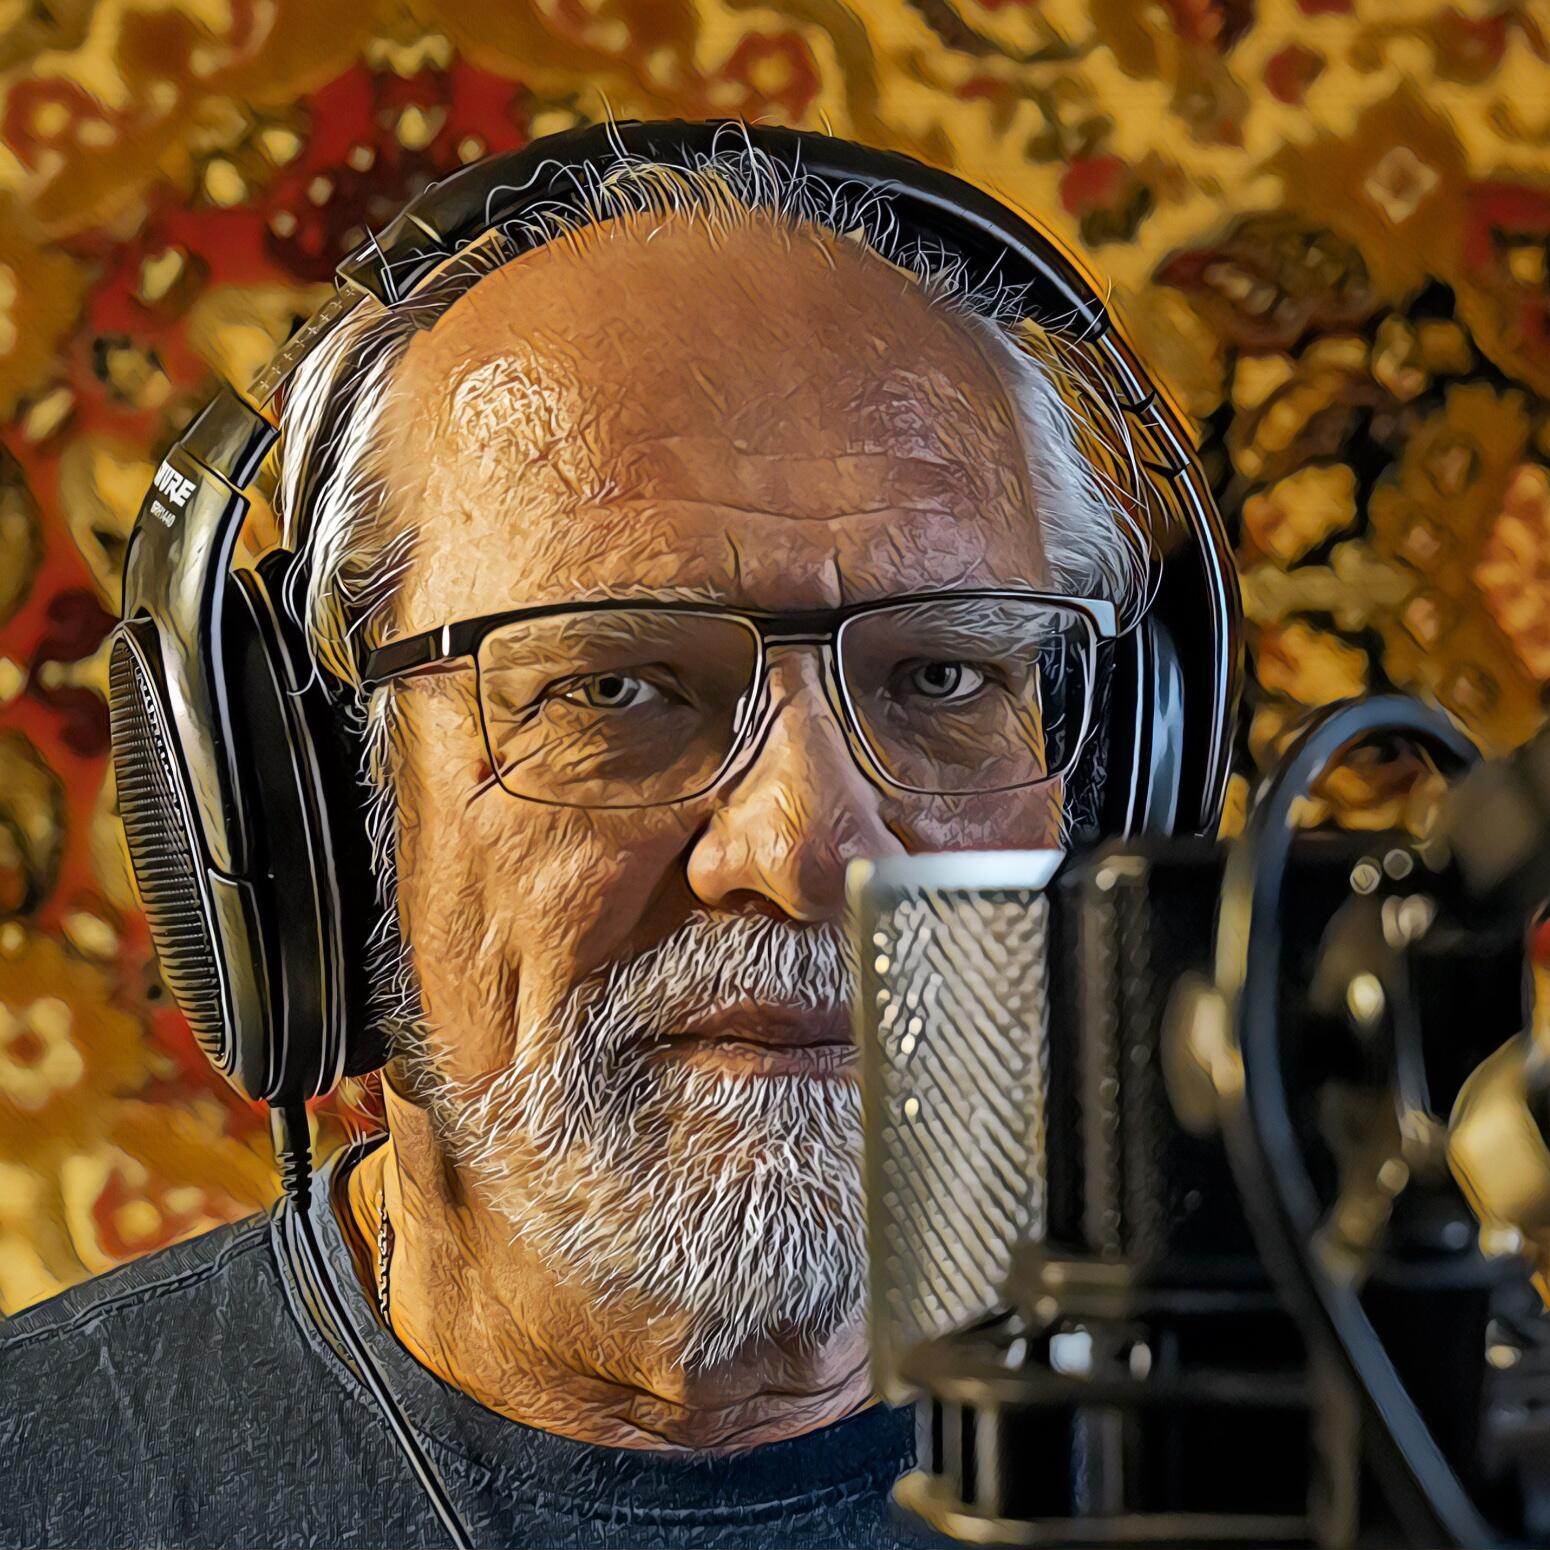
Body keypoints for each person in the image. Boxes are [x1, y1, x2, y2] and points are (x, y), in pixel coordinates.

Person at [0, 126, 1149, 1548]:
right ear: (328, 807)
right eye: (613, 687)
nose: (808, 853)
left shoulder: (1368, 1459)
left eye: (943, 676)